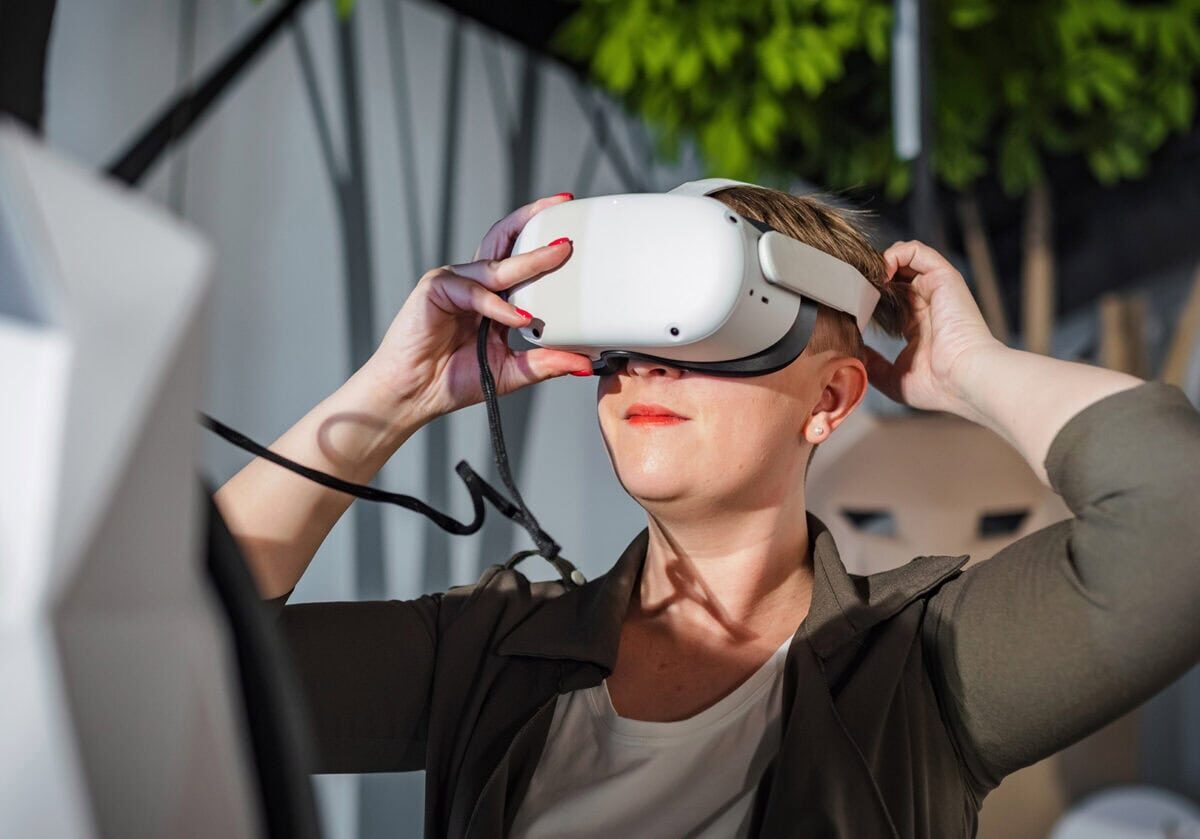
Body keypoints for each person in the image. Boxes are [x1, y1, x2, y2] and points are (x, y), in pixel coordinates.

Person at [213, 186, 1200, 838]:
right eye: (626, 333)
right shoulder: (486, 649)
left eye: (700, 323)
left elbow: (1178, 526)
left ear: (831, 398)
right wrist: (393, 393)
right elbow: (172, 658)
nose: (646, 360)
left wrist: (970, 371)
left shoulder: (916, 665)